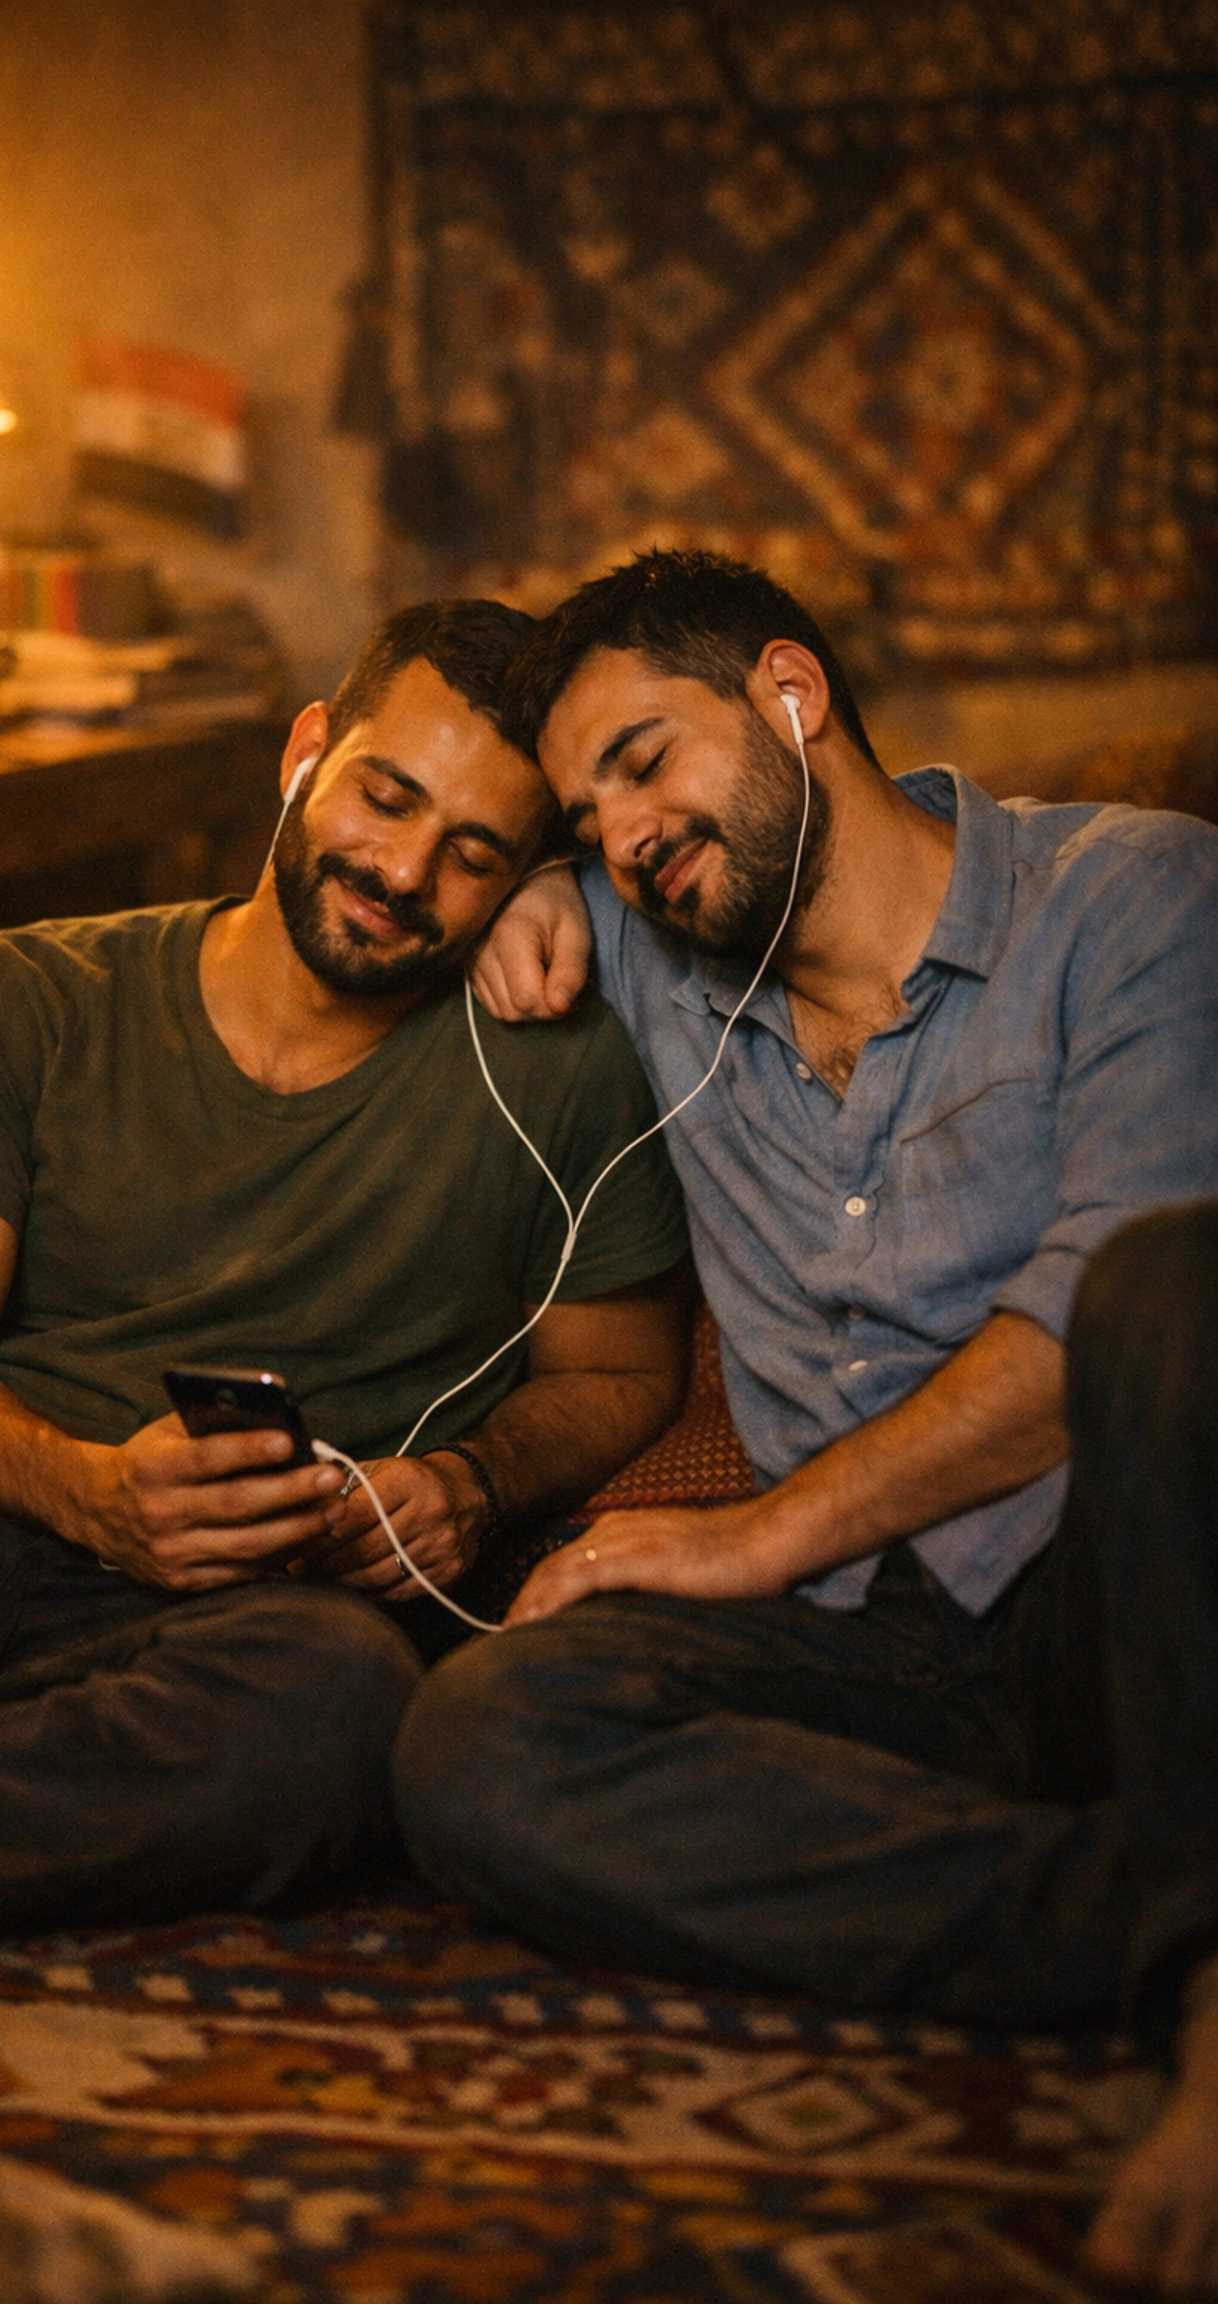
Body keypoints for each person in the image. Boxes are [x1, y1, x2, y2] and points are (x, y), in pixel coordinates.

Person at [0, 598, 690, 2077]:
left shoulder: (561, 1069)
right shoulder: (23, 993)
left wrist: (469, 1484)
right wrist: (87, 1488)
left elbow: (625, 1374)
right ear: (305, 758)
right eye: (384, 795)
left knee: (352, 1711)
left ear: (529, 874)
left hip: (236, 1631)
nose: (406, 871)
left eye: (476, 852)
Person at [391, 552, 1218, 2293]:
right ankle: (1147, 1914)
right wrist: (534, 873)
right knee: (475, 1749)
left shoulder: (1132, 894)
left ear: (788, 692)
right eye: (582, 812)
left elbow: (1098, 1322)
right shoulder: (643, 941)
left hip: (1114, 1601)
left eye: (642, 760)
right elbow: (438, 843)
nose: (622, 834)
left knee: (1169, 1294)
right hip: (866, 1654)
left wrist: (755, 1533)